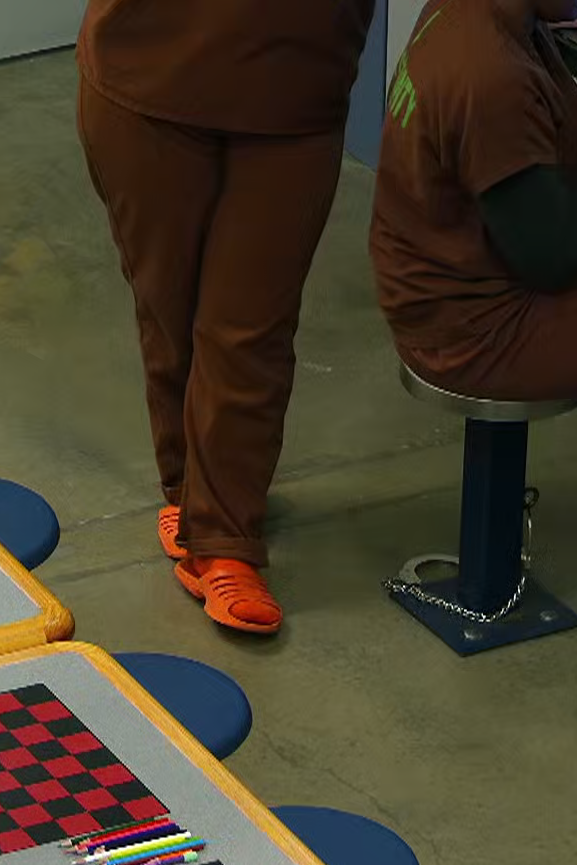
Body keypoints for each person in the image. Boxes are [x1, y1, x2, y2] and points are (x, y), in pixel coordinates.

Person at [75, 0, 375, 636]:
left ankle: (223, 540)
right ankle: (189, 492)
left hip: (298, 91)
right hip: (147, 75)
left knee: (250, 325)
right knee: (170, 311)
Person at [371, 0, 577, 415]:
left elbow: (525, 154)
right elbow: (555, 258)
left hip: (462, 291)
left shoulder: (475, 16)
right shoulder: (485, 70)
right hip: (479, 337)